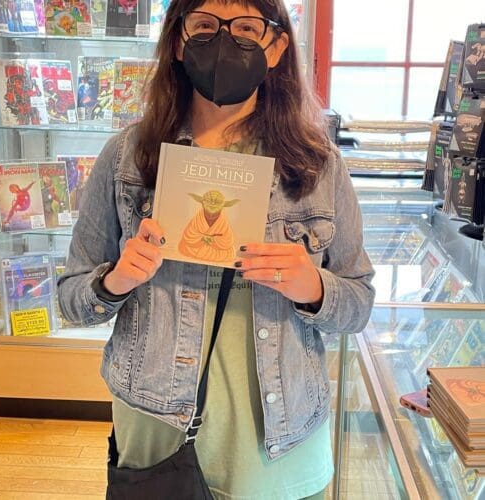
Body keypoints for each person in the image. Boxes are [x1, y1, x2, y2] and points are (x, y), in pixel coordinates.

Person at [58, 1, 375, 498]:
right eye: (205, 25)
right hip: (157, 433)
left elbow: (358, 305)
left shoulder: (318, 166)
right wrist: (115, 281)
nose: (225, 42)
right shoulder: (128, 157)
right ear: (178, 41)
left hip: (283, 443)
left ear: (277, 46)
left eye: (246, 28)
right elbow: (72, 298)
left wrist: (314, 288)